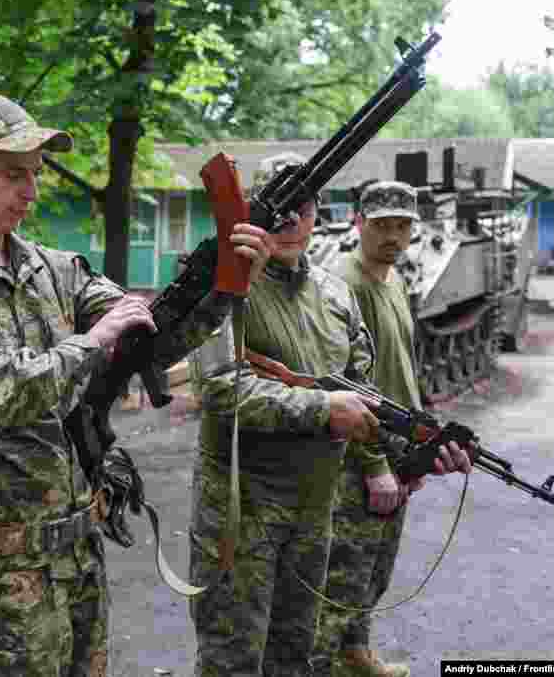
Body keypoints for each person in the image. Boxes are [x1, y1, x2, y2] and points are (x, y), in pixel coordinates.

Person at [0, 93, 267, 677]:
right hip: (2, 568)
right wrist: (92, 342)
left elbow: (150, 338)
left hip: (77, 550)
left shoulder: (55, 268)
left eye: (35, 175)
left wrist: (223, 285)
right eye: (13, 174)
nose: (31, 192)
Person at [186, 156, 467, 677]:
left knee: (299, 656)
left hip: (317, 512)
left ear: (318, 213)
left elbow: (366, 395)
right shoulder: (222, 288)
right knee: (234, 659)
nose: (291, 221)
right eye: (279, 208)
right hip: (241, 514)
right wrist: (321, 408)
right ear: (253, 210)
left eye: (304, 207)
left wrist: (421, 452)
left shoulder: (335, 295)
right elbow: (217, 387)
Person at [313, 181, 472, 677]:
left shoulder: (394, 281)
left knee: (375, 569)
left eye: (403, 226)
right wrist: (377, 465)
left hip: (398, 442)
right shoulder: (344, 284)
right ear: (359, 222)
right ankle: (327, 665)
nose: (393, 236)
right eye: (382, 225)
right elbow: (342, 384)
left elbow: (402, 365)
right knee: (344, 576)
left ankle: (355, 656)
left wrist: (422, 445)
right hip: (359, 452)